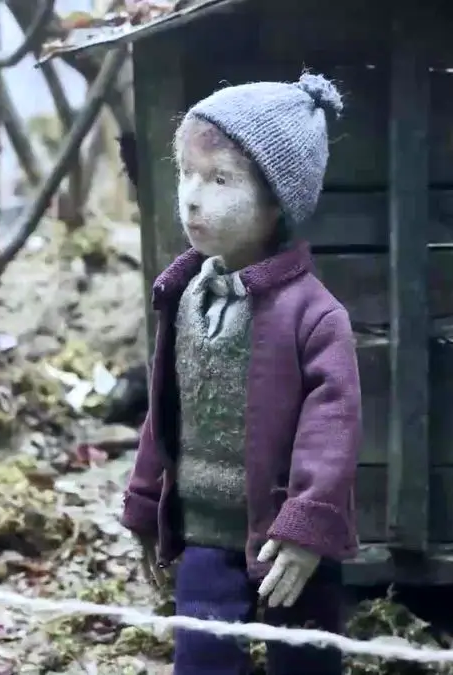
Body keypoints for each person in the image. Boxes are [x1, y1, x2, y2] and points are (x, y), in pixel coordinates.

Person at [118, 73, 362, 675]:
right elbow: (164, 409)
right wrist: (146, 506)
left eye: (221, 179)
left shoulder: (315, 316)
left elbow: (333, 430)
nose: (193, 198)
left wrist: (308, 527)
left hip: (286, 543)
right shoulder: (185, 296)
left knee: (304, 661)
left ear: (277, 201)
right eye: (186, 173)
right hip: (206, 532)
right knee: (200, 659)